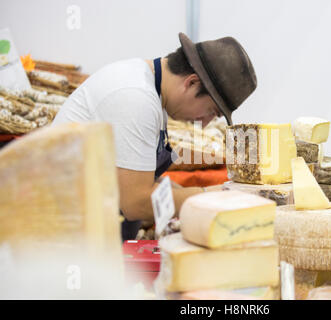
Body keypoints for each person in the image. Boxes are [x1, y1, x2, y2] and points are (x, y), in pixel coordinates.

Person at [51, 32, 257, 240]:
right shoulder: (135, 98)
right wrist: (211, 197)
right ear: (192, 83)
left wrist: (208, 193)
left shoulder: (151, 94)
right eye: (212, 111)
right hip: (63, 236)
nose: (204, 123)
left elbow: (143, 179)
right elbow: (135, 201)